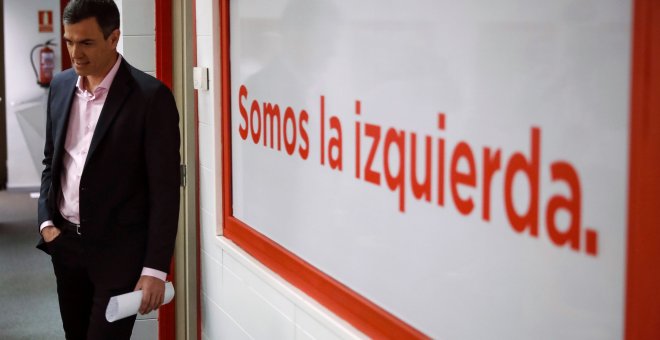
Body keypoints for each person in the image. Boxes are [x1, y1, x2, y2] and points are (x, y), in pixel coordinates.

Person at [36, 0, 180, 338]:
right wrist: (46, 223)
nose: (75, 53)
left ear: (114, 38)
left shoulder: (150, 97)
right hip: (65, 246)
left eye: (86, 42)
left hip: (119, 255)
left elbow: (165, 190)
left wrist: (155, 268)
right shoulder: (59, 88)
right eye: (69, 41)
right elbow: (50, 163)